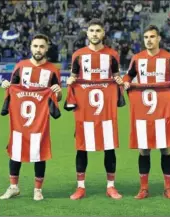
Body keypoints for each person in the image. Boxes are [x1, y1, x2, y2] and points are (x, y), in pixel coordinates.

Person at [122, 25, 170, 200]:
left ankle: (168, 188)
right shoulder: (137, 58)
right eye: (146, 37)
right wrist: (126, 82)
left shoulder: (168, 58)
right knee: (144, 149)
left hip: (163, 109)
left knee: (165, 148)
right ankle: (144, 188)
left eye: (152, 37)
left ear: (159, 39)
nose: (148, 40)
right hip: (143, 110)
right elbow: (128, 76)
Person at [0, 34, 62, 201]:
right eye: (35, 46)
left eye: (42, 46)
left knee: (39, 152)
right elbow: (12, 88)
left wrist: (59, 92)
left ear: (47, 48)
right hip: (19, 120)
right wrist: (6, 86)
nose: (38, 49)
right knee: (16, 151)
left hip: (40, 121)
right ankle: (13, 187)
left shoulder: (52, 70)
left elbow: (57, 98)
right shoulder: (21, 66)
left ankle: (37, 190)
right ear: (31, 47)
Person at [66, 19, 124, 200]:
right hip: (85, 111)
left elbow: (116, 77)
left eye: (98, 30)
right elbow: (74, 77)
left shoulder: (112, 55)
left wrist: (119, 82)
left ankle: (111, 187)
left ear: (103, 33)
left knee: (109, 148)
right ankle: (80, 187)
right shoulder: (78, 55)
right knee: (82, 148)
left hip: (105, 111)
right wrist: (70, 82)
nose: (95, 34)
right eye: (91, 30)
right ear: (87, 33)